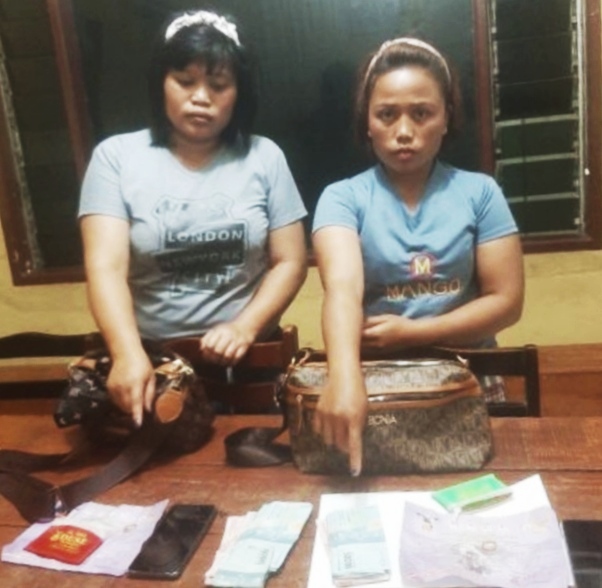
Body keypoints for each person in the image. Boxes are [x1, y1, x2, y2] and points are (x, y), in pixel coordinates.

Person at [79, 10, 307, 426]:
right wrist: (126, 353)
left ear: (238, 92)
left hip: (249, 362)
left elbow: (290, 261)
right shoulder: (115, 158)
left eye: (218, 85)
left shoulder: (265, 157)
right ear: (161, 83)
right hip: (152, 365)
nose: (201, 97)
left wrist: (244, 328)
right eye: (185, 81)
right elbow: (105, 268)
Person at [311, 37, 524, 475]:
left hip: (471, 378)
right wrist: (343, 377)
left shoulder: (481, 193)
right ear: (367, 123)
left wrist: (414, 332)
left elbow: (507, 302)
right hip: (377, 380)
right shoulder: (342, 198)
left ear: (446, 118)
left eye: (422, 113)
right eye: (387, 114)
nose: (404, 130)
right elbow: (342, 289)